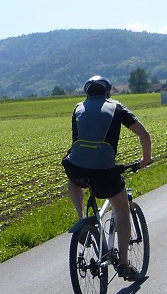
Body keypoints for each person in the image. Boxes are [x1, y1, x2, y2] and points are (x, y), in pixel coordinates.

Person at [62, 75, 153, 281]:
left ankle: (82, 219)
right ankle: (123, 264)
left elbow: (78, 142)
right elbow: (143, 134)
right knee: (121, 209)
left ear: (87, 93)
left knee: (73, 174)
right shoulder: (115, 107)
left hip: (77, 168)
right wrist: (145, 159)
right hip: (104, 171)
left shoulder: (78, 108)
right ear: (107, 92)